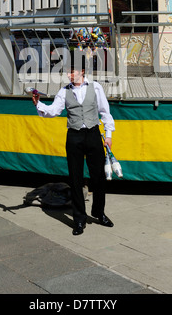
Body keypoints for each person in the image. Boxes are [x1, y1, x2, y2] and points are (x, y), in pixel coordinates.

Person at [32, 52, 115, 236]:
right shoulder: (64, 91)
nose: (69, 74)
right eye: (67, 71)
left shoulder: (96, 87)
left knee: (99, 178)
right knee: (75, 179)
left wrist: (108, 135)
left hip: (93, 134)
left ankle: (99, 213)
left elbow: (105, 111)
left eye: (73, 71)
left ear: (82, 71)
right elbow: (54, 111)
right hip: (74, 137)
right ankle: (79, 219)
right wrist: (39, 104)